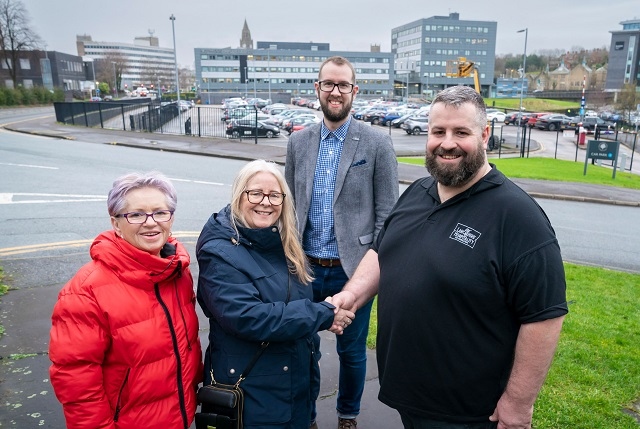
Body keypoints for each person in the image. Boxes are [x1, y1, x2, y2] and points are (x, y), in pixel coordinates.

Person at [331, 85, 568, 429]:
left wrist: (518, 403)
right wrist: (351, 296)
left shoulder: (518, 217)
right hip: (408, 396)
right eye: (438, 131)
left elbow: (544, 316)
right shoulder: (417, 192)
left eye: (461, 132)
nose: (447, 143)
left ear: (485, 134)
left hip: (467, 413)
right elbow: (383, 251)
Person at [196, 159, 355, 429]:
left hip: (292, 387)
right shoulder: (219, 252)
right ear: (238, 195)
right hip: (252, 393)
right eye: (255, 193)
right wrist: (324, 314)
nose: (265, 202)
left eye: (274, 195)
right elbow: (250, 318)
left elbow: (295, 303)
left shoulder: (282, 243)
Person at [285, 55, 399, 429]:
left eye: (343, 85)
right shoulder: (298, 142)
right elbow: (288, 207)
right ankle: (309, 417)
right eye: (328, 84)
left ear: (355, 90)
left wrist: (369, 268)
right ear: (317, 89)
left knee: (352, 354)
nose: (335, 91)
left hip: (354, 270)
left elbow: (388, 216)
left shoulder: (376, 143)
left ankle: (347, 415)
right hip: (306, 270)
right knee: (305, 350)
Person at [49, 171, 203, 429]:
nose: (151, 222)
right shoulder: (85, 292)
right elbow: (76, 382)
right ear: (116, 223)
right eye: (136, 214)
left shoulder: (176, 271)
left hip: (180, 416)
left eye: (160, 212)